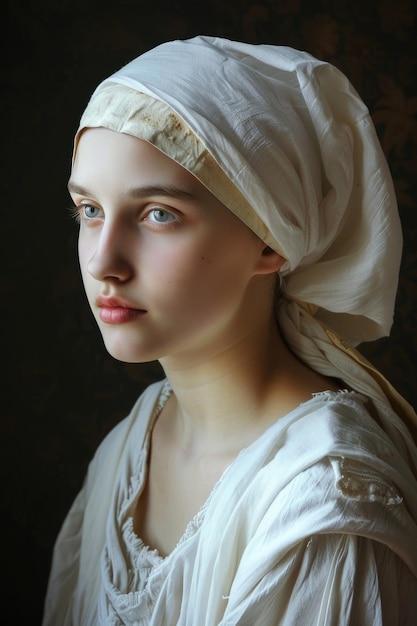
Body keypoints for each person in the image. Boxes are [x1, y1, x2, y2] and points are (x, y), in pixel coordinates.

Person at [42, 35, 417, 625]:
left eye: (158, 214)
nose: (102, 262)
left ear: (271, 236)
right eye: (89, 210)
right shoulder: (130, 446)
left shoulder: (326, 500)